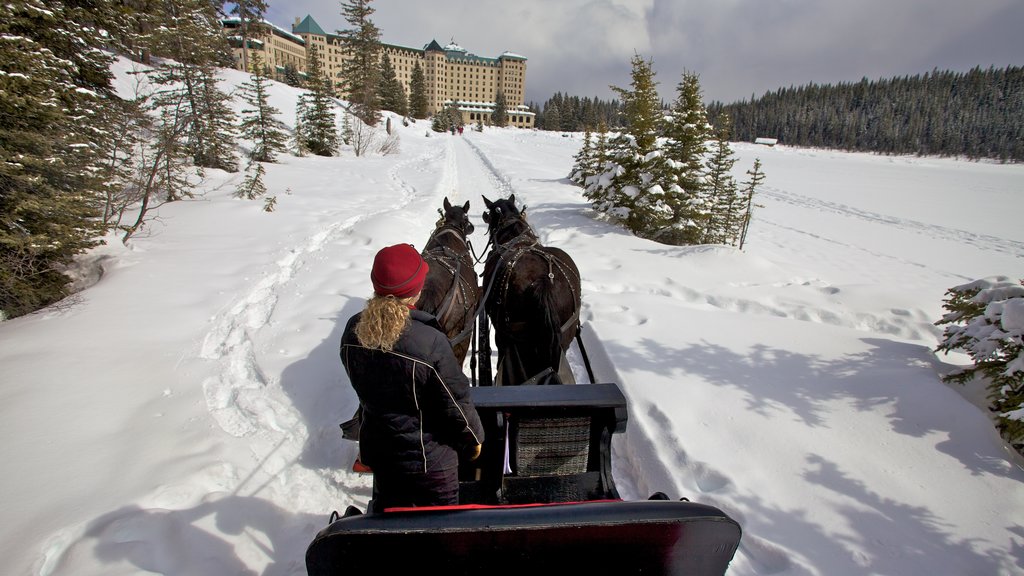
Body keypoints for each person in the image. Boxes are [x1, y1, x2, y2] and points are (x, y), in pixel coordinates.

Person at [340, 243, 484, 510]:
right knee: (439, 530)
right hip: (431, 463)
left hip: (382, 455)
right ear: (416, 291)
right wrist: (474, 438)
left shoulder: (352, 331)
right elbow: (456, 403)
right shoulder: (430, 341)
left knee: (393, 522)